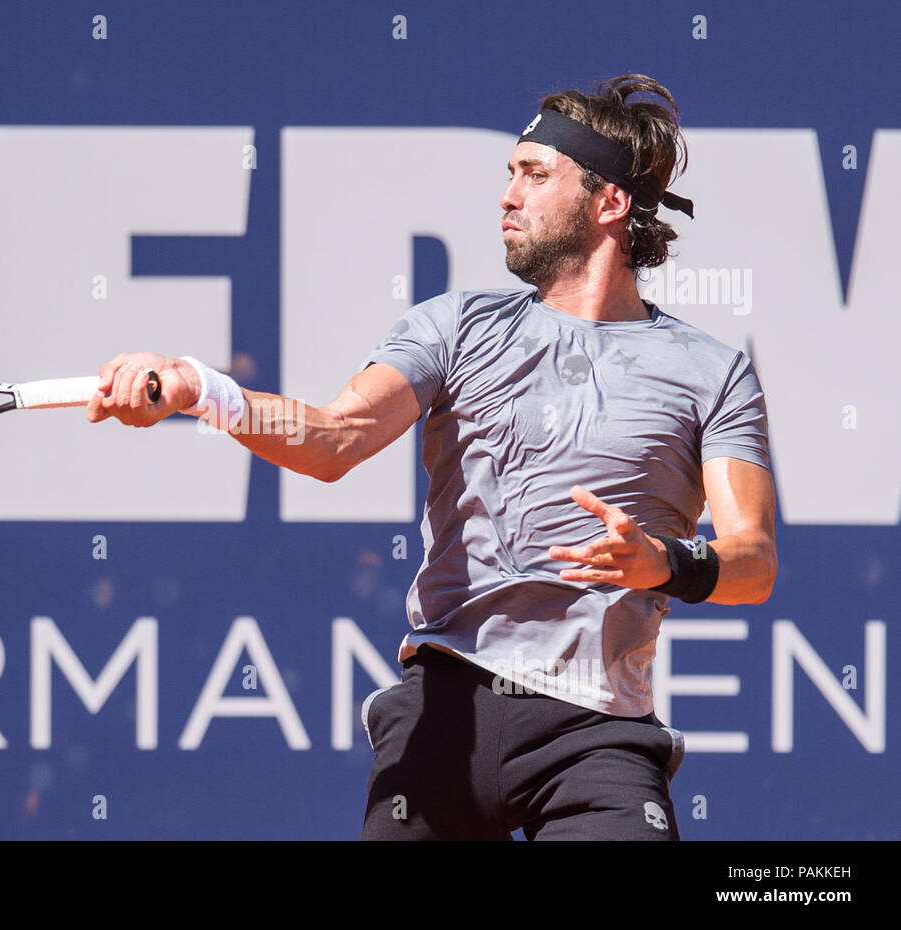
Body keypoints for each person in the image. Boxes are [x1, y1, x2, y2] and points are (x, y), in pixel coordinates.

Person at [86, 73, 778, 840]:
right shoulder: (455, 328)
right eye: (509, 174)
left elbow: (753, 560)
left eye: (534, 175)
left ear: (609, 202)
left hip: (599, 733)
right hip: (447, 712)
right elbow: (332, 438)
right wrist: (198, 388)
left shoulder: (711, 370)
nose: (508, 197)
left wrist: (666, 562)